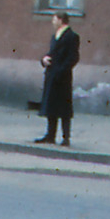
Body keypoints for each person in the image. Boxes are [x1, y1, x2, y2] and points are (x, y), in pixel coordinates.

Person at [35, 11, 78, 146]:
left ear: (61, 20)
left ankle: (66, 137)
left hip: (62, 77)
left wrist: (61, 71)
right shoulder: (55, 36)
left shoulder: (71, 36)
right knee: (51, 106)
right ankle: (50, 135)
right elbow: (51, 53)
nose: (53, 22)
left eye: (54, 19)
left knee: (64, 108)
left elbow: (73, 57)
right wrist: (44, 60)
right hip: (52, 75)